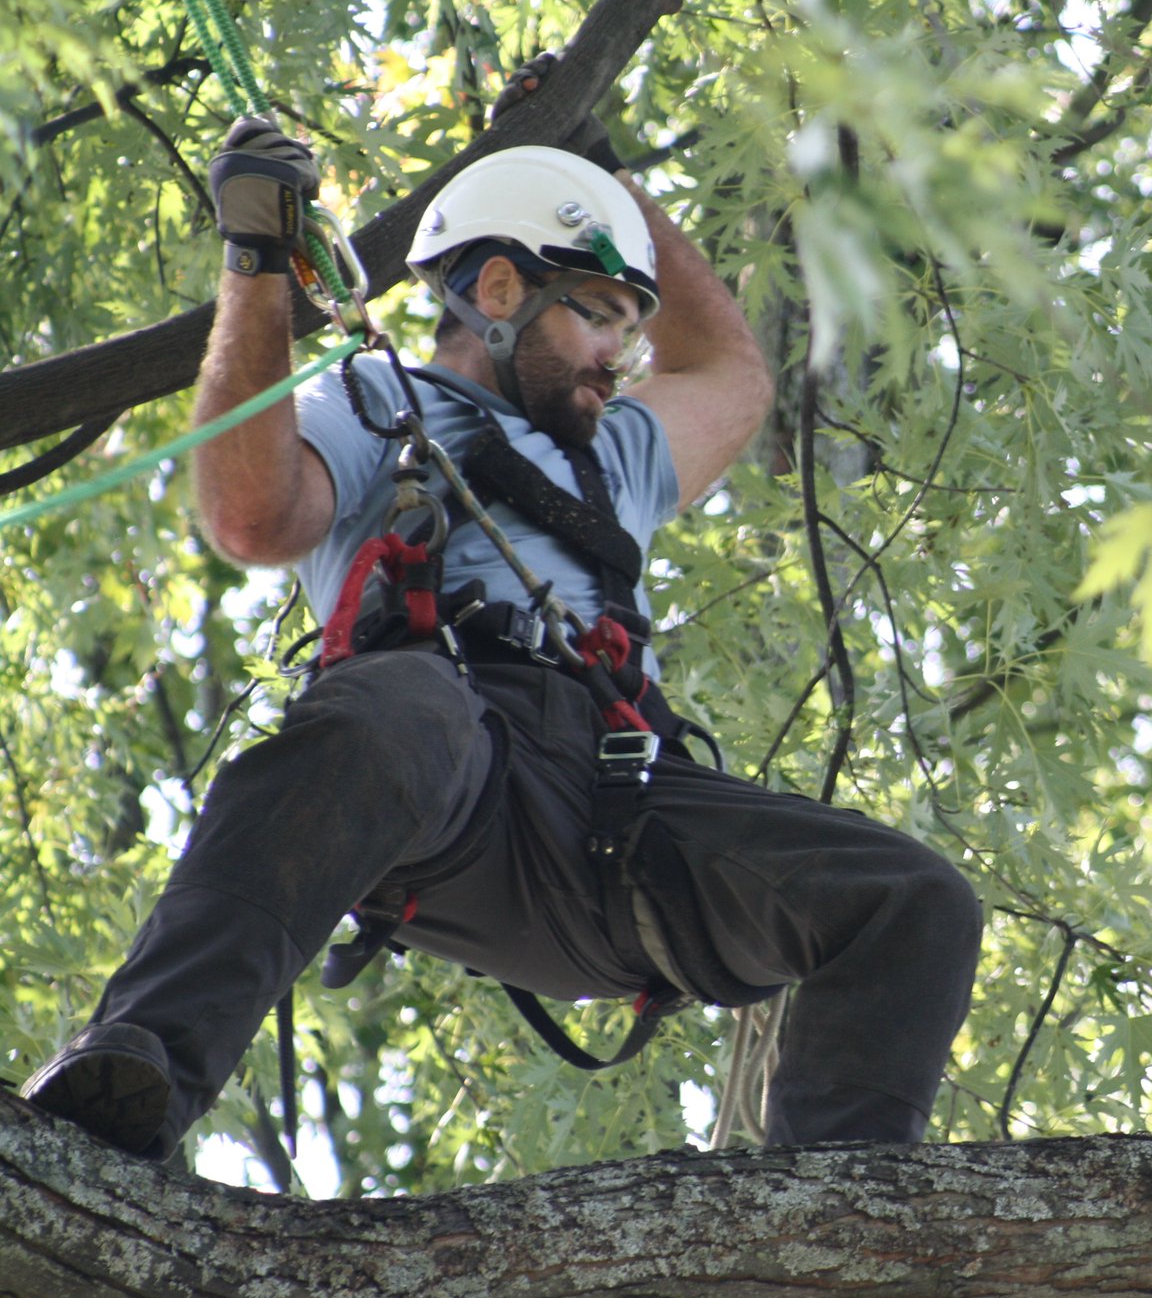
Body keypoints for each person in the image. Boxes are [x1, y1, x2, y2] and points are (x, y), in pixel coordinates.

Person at [22, 60, 982, 1212]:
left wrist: (595, 169)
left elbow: (729, 370)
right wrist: (256, 267)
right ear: (495, 287)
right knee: (396, 702)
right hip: (451, 773)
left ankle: (823, 1264)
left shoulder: (611, 454)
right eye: (598, 315)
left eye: (629, 325)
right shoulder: (373, 401)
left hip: (623, 811)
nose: (619, 355)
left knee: (911, 901)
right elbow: (251, 517)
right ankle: (135, 1075)